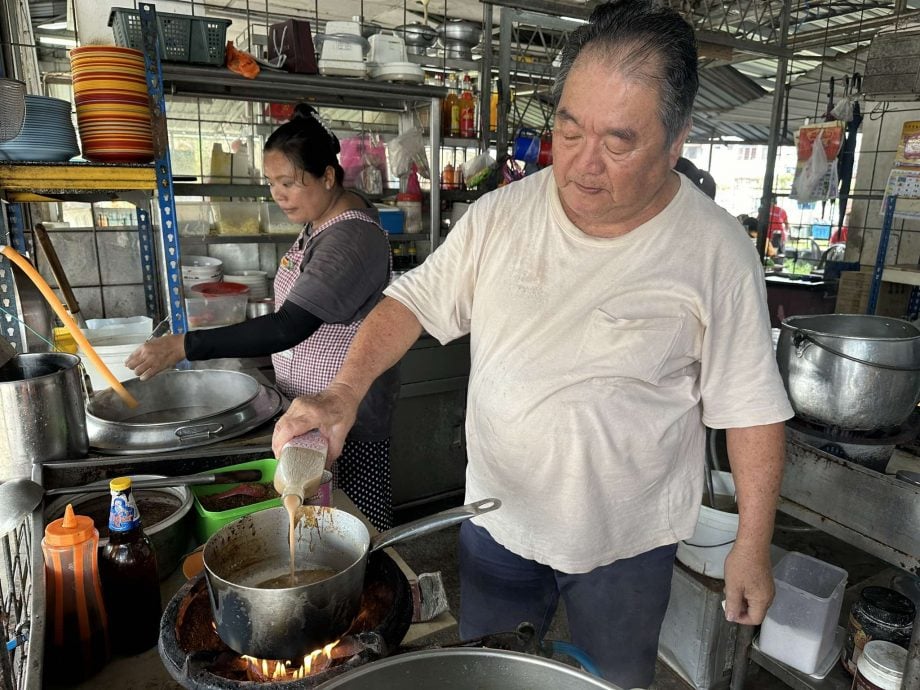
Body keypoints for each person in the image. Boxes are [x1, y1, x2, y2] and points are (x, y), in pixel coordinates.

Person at [272, 2, 793, 687]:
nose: (582, 164)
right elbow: (411, 301)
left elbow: (750, 406)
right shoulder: (502, 215)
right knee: (490, 673)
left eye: (619, 142)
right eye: (569, 130)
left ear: (677, 141)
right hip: (497, 524)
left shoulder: (717, 250)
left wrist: (752, 545)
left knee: (614, 678)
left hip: (627, 545)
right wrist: (343, 391)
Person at [126, 104, 399, 530]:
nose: (278, 194)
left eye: (289, 182)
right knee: (312, 519)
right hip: (308, 408)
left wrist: (184, 345)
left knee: (353, 521)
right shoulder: (321, 218)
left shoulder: (351, 238)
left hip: (346, 416)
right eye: (271, 182)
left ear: (328, 176)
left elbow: (289, 326)